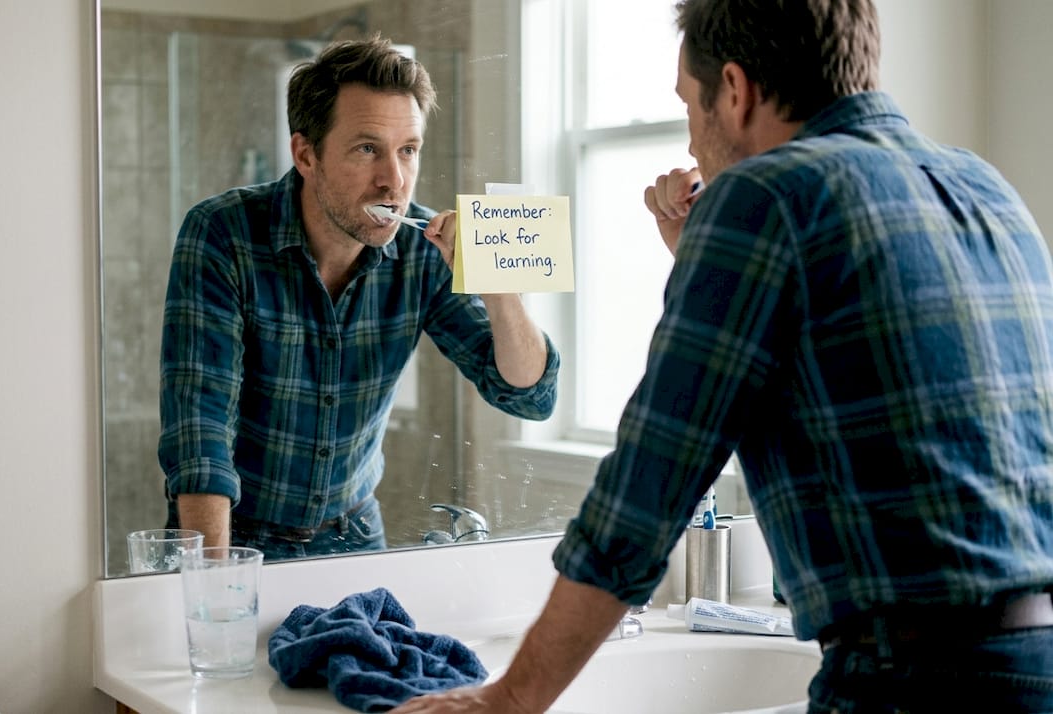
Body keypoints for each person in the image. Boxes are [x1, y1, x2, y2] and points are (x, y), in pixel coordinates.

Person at [391, 0, 1053, 712]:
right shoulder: (984, 188)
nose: (691, 135)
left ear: (734, 91)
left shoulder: (764, 196)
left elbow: (647, 490)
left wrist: (508, 700)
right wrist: (701, 263)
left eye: (688, 102)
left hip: (912, 682)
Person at [157, 35, 559, 562]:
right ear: (306, 154)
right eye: (368, 149)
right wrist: (214, 589)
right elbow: (201, 431)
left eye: (408, 151)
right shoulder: (223, 234)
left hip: (354, 536)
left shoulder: (423, 251)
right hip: (236, 535)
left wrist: (499, 289)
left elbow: (528, 396)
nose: (393, 181)